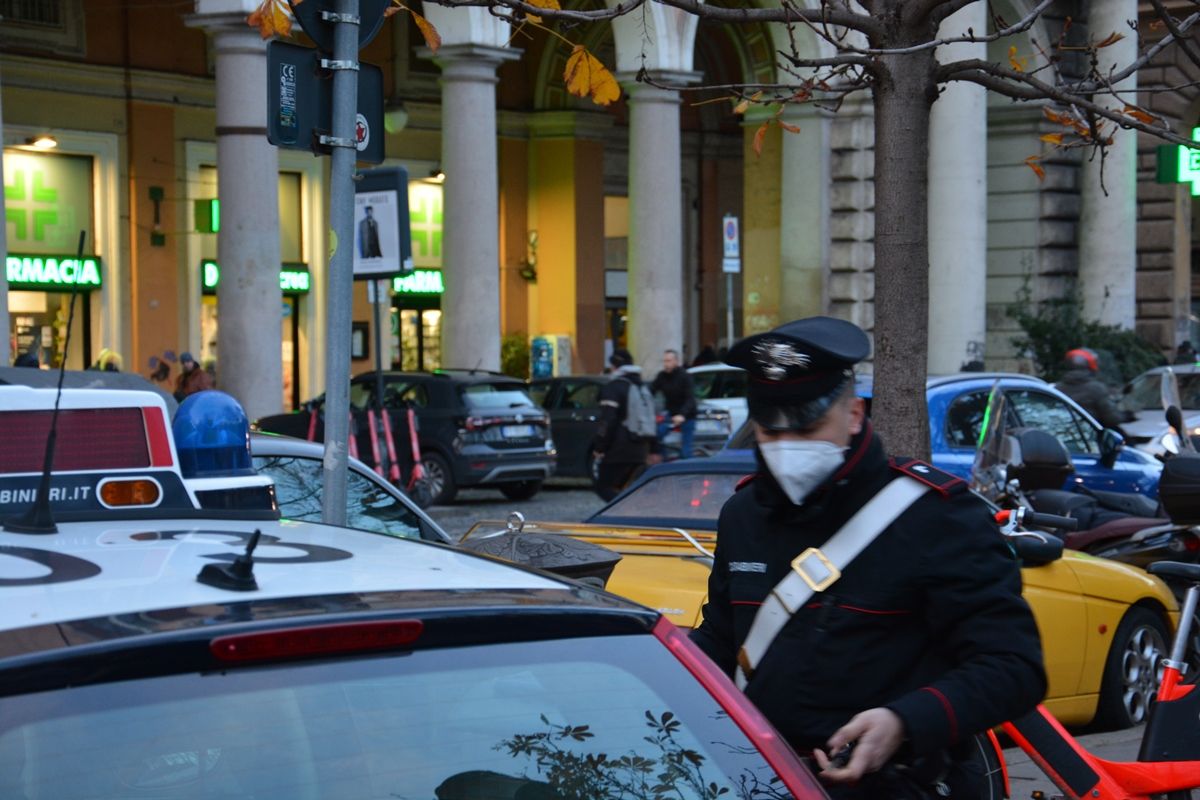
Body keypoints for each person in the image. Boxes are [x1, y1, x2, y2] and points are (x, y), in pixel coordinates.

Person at [690, 316, 1045, 799]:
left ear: (854, 414)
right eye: (770, 431)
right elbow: (724, 638)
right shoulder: (743, 515)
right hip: (769, 783)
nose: (786, 445)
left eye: (807, 424)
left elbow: (1014, 667)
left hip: (902, 785)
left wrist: (905, 721)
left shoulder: (938, 516)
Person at [592, 348, 652, 500]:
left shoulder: (614, 387)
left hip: (619, 449)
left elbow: (608, 420)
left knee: (603, 487)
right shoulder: (642, 386)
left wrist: (600, 447)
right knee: (629, 489)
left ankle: (619, 515)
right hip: (640, 447)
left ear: (614, 366)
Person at [1055, 347, 1129, 431]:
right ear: (1091, 365)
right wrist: (1126, 416)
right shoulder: (1096, 388)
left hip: (1069, 434)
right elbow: (1112, 419)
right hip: (1092, 436)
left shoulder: (1057, 389)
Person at [651, 349, 698, 459]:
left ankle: (689, 469)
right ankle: (666, 463)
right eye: (664, 361)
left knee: (686, 451)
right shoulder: (662, 376)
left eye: (669, 361)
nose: (666, 364)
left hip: (687, 416)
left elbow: (690, 398)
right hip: (671, 413)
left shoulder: (684, 376)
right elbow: (651, 391)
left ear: (676, 361)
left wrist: (682, 415)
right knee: (657, 436)